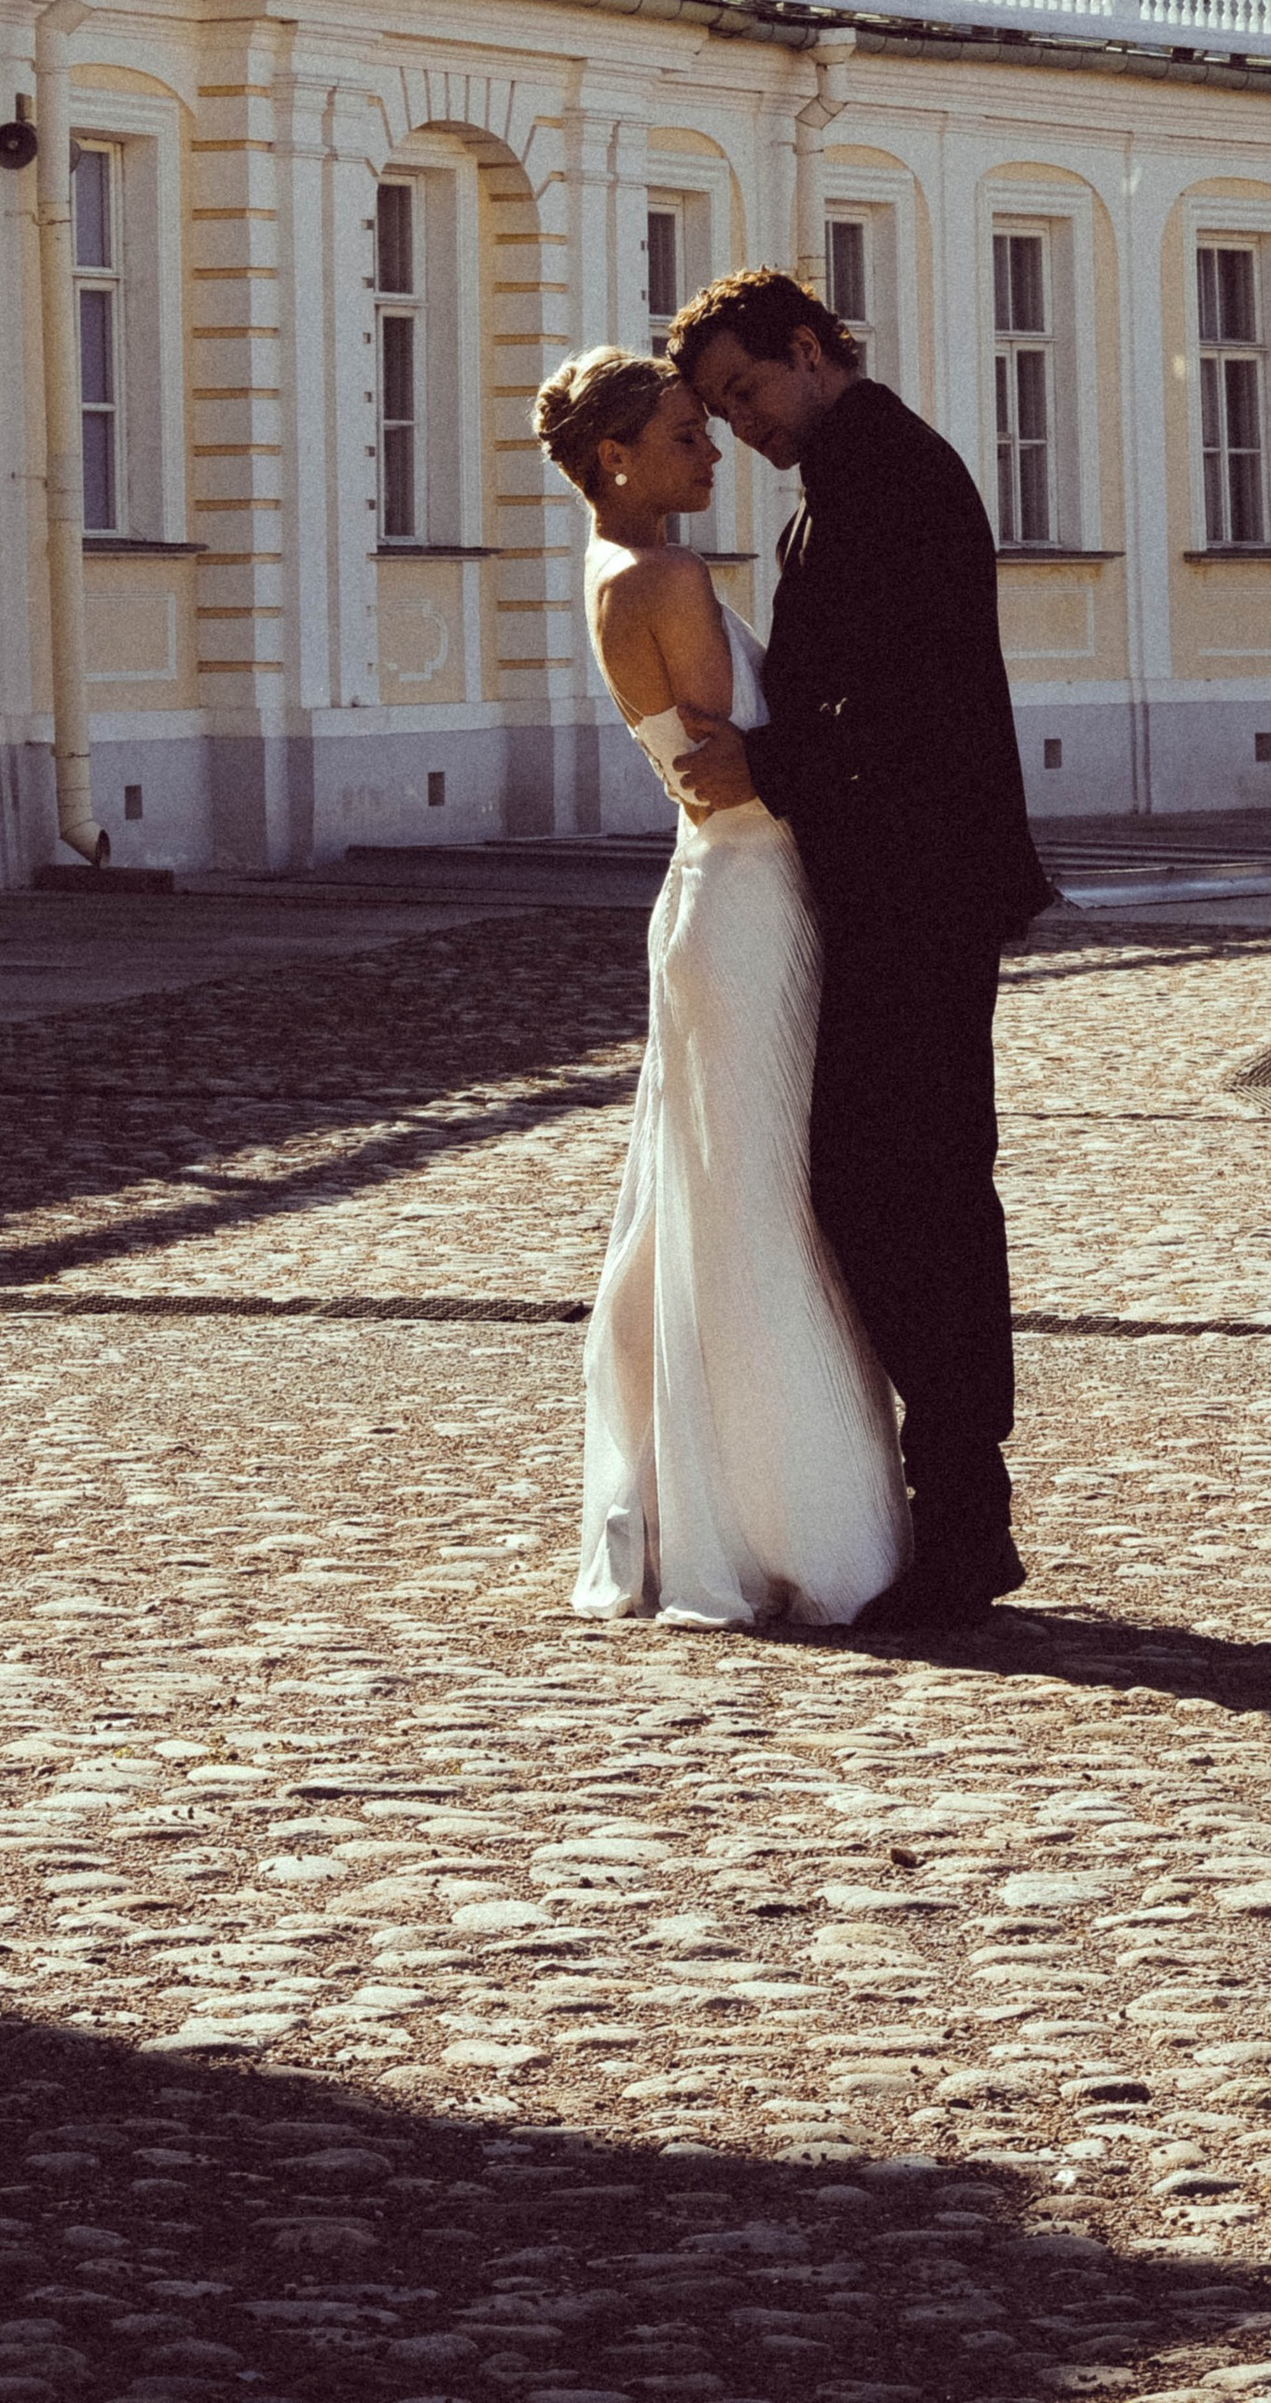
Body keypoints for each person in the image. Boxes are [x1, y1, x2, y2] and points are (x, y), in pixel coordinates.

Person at [668, 266, 1053, 1629]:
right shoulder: (846, 478)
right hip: (898, 884)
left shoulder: (885, 475)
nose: (745, 423)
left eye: (749, 389)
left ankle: (963, 1512)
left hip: (925, 886)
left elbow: (892, 704)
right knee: (894, 1189)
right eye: (719, 407)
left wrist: (760, 756)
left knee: (913, 1194)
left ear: (815, 349)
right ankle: (948, 1502)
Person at [532, 343, 908, 1628]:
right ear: (617, 456)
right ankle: (780, 1519)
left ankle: (701, 1495)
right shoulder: (668, 573)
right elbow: (734, 764)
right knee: (747, 1201)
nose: (711, 453)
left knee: (703, 1198)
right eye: (687, 434)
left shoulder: (613, 568)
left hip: (713, 897)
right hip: (748, 902)